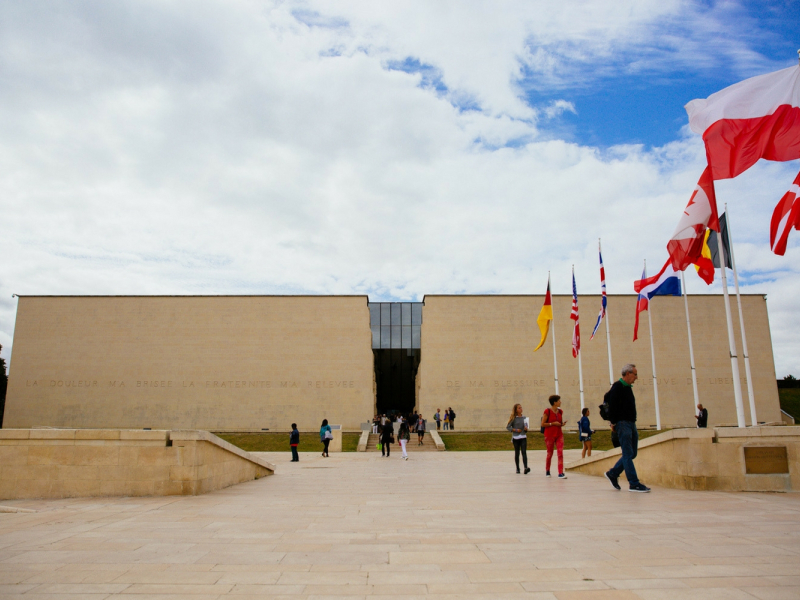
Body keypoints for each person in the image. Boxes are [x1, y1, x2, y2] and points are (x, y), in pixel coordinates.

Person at [605, 364, 651, 493]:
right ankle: (634, 483)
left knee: (632, 453)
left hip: (631, 423)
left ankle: (613, 473)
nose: (636, 377)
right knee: (627, 454)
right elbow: (612, 407)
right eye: (635, 374)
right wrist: (613, 423)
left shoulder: (627, 388)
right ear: (627, 374)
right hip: (622, 424)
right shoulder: (617, 387)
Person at [542, 395, 567, 479]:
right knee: (550, 453)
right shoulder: (547, 411)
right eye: (559, 401)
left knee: (560, 453)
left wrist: (562, 424)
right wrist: (552, 424)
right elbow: (543, 424)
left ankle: (560, 472)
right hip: (549, 435)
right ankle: (547, 470)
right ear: (554, 402)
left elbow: (559, 422)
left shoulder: (560, 412)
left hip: (559, 434)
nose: (560, 402)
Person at [506, 403, 530, 474]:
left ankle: (525, 467)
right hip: (516, 437)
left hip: (523, 436)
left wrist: (526, 429)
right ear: (516, 410)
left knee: (524, 452)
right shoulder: (514, 418)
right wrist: (515, 430)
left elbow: (526, 429)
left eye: (521, 407)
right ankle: (517, 468)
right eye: (519, 408)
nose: (521, 409)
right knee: (517, 453)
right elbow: (508, 427)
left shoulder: (524, 418)